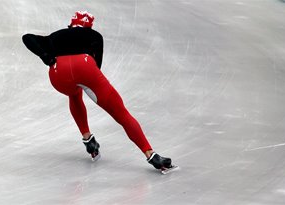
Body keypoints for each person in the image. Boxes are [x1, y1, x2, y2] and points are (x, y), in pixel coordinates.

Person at [22, 11, 177, 173]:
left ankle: (88, 139)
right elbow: (98, 65)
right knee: (121, 113)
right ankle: (152, 155)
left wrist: (46, 56)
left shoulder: (55, 36)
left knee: (74, 93)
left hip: (58, 74)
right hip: (85, 67)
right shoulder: (94, 35)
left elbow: (27, 37)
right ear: (89, 27)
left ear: (70, 25)